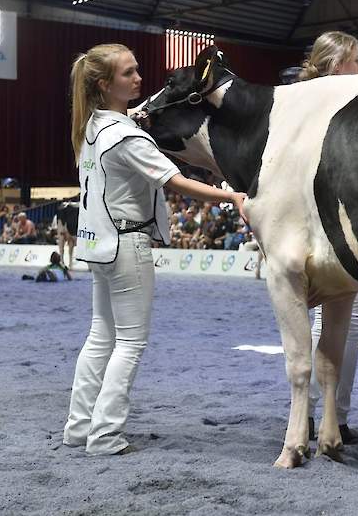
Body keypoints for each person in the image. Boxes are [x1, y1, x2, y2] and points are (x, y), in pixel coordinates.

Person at [62, 43, 247, 456]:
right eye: (129, 74)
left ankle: (79, 427)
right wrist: (230, 197)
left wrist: (137, 115)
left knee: (100, 337)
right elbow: (176, 182)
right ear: (106, 84)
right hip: (128, 243)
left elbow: (133, 119)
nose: (138, 78)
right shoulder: (126, 135)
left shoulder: (90, 126)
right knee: (129, 344)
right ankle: (105, 434)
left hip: (98, 243)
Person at [293, 31, 358, 443]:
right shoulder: (341, 103)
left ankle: (317, 416)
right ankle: (330, 416)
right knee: (337, 321)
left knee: (313, 323)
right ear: (337, 66)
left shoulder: (295, 103)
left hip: (312, 224)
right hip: (326, 224)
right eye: (356, 61)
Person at [56, 201, 79, 268]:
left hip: (71, 227)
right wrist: (64, 228)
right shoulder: (64, 208)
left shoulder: (75, 208)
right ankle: (62, 261)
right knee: (64, 244)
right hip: (65, 226)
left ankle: (69, 262)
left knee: (69, 245)